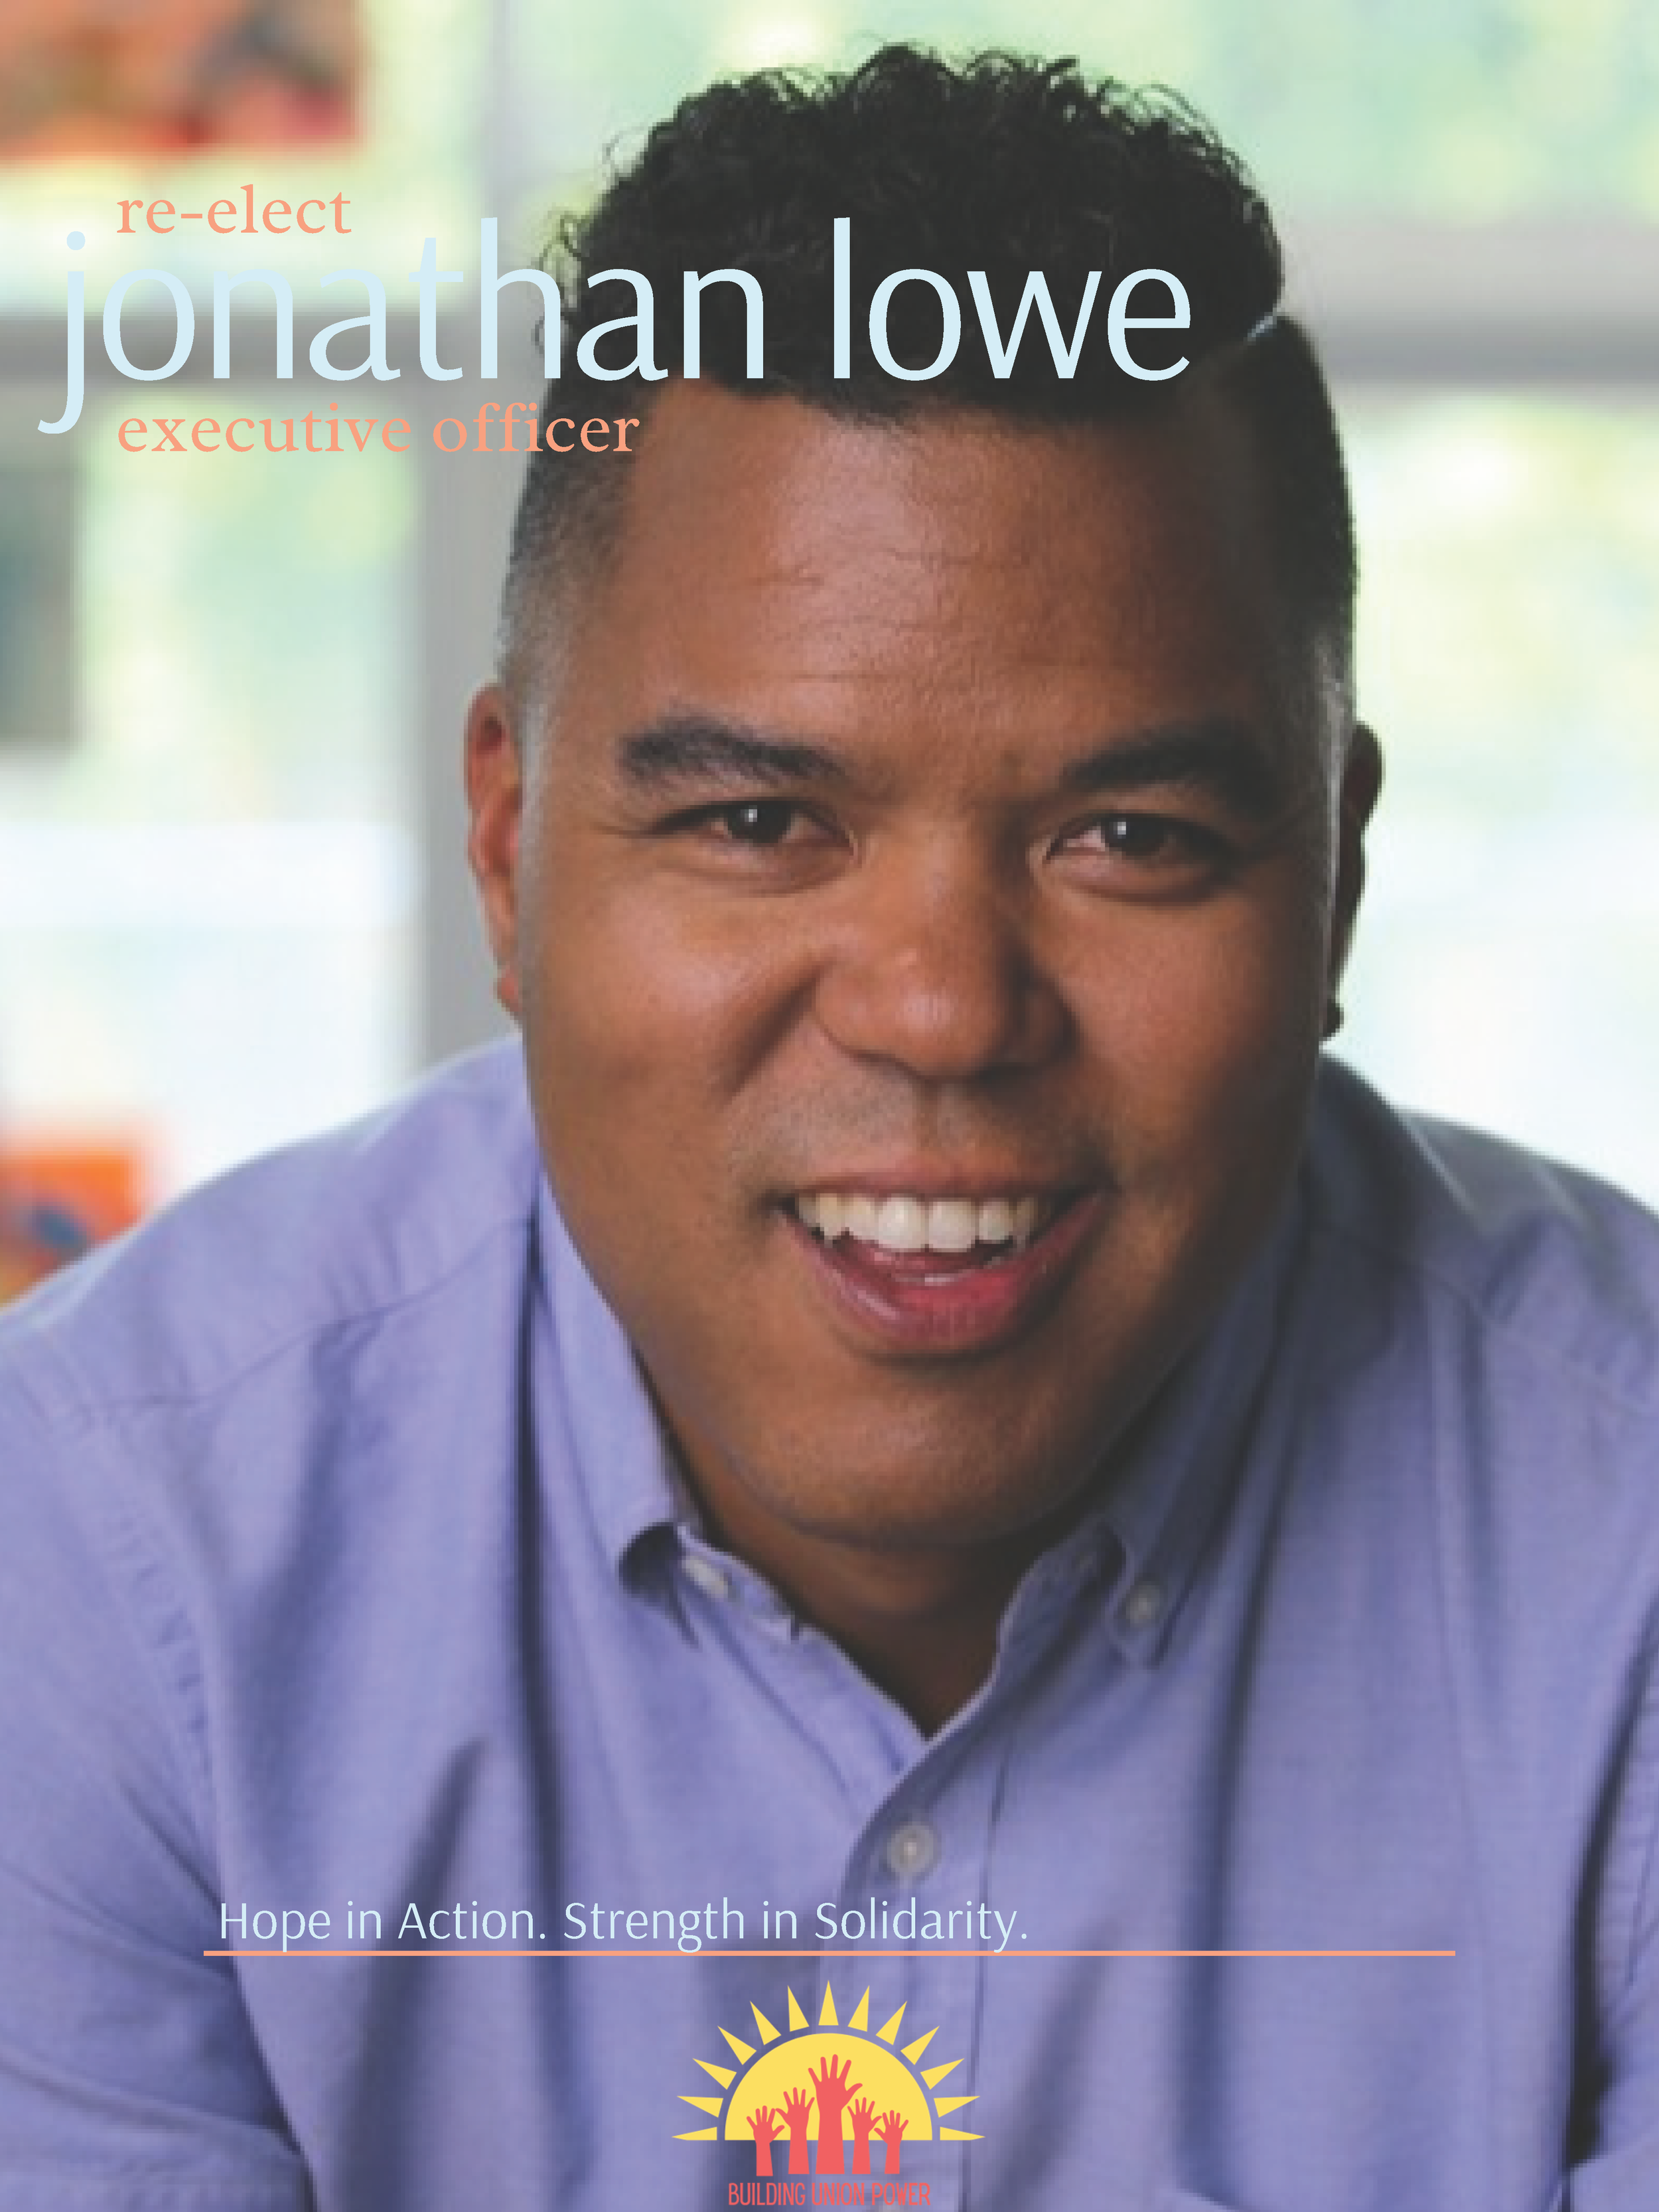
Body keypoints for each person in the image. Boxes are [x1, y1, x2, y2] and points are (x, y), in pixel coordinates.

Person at [1, 44, 1656, 2212]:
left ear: (1331, 875)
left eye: (1130, 831)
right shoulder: (100, 1561)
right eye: (761, 818)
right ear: (506, 849)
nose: (942, 1007)